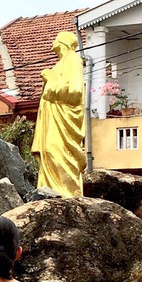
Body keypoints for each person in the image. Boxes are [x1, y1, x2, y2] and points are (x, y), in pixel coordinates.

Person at [31, 31, 86, 197]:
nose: (53, 41)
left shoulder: (73, 60)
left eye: (56, 39)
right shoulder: (60, 64)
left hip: (64, 119)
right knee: (48, 151)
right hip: (53, 119)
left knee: (54, 149)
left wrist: (50, 80)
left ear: (63, 42)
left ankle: (67, 195)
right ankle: (50, 192)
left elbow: (75, 91)